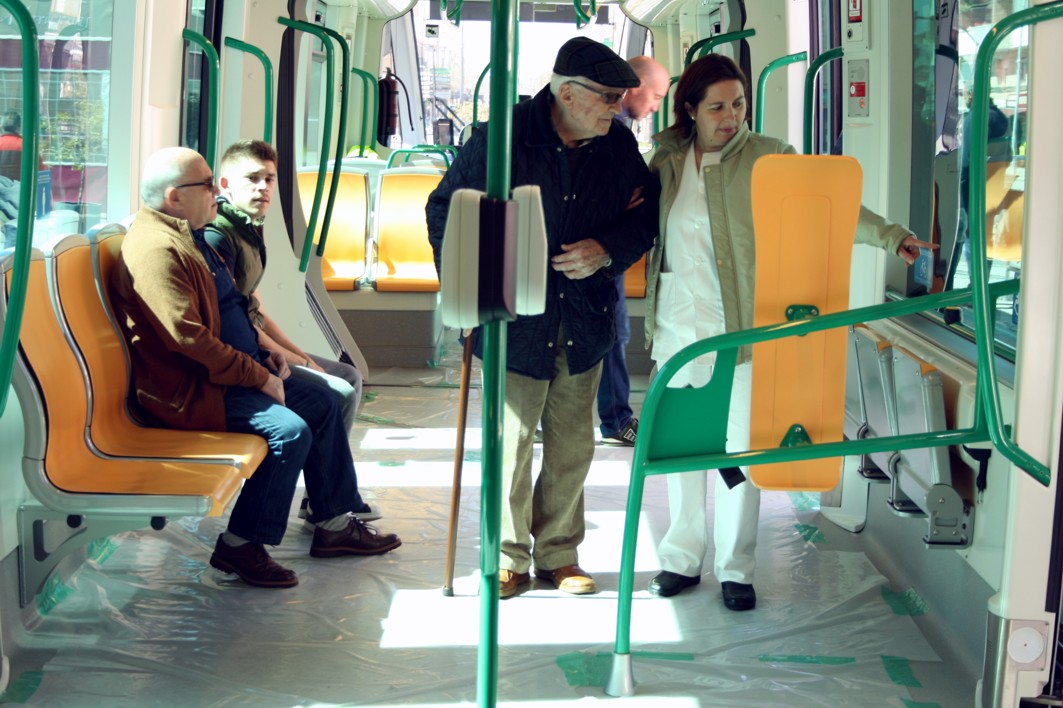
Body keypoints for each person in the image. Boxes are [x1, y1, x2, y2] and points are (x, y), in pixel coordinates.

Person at [644, 55, 933, 610]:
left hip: (743, 328)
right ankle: (680, 557)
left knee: (738, 451)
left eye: (739, 105)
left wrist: (889, 235)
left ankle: (735, 567)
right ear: (690, 110)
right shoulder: (668, 160)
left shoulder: (771, 158)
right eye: (718, 107)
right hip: (679, 322)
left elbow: (829, 208)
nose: (731, 117)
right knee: (682, 448)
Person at [426, 37, 659, 598]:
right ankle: (508, 558)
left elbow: (648, 211)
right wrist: (469, 288)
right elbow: (444, 212)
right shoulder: (500, 139)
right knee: (510, 443)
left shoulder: (616, 145)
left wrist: (606, 247)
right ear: (569, 94)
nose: (616, 107)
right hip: (513, 315)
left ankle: (560, 555)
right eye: (607, 97)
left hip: (586, 315)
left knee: (573, 446)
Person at [111, 147, 400, 589]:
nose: (214, 193)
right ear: (174, 197)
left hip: (226, 375)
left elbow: (231, 315)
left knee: (322, 402)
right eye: (205, 185)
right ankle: (241, 545)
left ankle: (334, 527)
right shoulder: (158, 251)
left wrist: (266, 357)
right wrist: (257, 375)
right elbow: (191, 342)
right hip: (193, 391)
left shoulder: (188, 234)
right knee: (288, 431)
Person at [203, 140, 377, 522]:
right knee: (336, 391)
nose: (264, 188)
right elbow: (240, 321)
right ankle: (326, 500)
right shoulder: (219, 237)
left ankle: (323, 495)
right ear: (225, 184)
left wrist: (301, 352)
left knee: (346, 373)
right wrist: (300, 362)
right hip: (247, 357)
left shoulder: (250, 229)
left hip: (258, 341)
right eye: (253, 179)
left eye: (269, 179)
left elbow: (258, 307)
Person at [597, 55, 672, 447]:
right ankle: (615, 418)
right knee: (613, 332)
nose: (657, 106)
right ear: (635, 87)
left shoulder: (620, 131)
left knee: (614, 332)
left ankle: (614, 415)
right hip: (601, 248)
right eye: (656, 96)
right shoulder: (608, 128)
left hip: (612, 248)